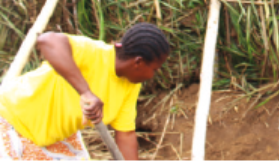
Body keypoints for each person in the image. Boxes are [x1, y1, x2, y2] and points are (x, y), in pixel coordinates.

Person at [0, 22, 170, 160]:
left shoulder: (130, 86)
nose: (153, 75)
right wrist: (86, 92)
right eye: (155, 69)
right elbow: (47, 40)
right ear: (138, 62)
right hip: (11, 118)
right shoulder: (93, 52)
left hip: (50, 137)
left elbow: (125, 134)